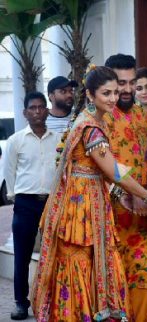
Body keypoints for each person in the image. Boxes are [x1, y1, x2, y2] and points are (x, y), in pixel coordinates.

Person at [31, 65, 147, 321]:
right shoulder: (91, 128)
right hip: (81, 210)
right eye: (106, 93)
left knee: (92, 265)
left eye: (116, 92)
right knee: (80, 265)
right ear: (91, 95)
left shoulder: (92, 120)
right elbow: (114, 171)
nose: (113, 98)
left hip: (88, 201)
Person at [104, 54, 147, 322]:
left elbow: (146, 161)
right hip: (105, 220)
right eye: (120, 83)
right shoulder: (98, 118)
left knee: (146, 276)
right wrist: (127, 193)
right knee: (110, 287)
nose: (127, 89)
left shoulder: (141, 116)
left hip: (139, 220)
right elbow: (96, 168)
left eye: (131, 82)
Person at [3, 92, 60, 320]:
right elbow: (9, 171)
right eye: (32, 108)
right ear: (25, 113)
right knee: (23, 256)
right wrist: (15, 197)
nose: (37, 112)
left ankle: (55, 299)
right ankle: (20, 303)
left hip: (52, 203)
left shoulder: (58, 139)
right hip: (25, 203)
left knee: (55, 253)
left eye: (41, 107)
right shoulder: (16, 140)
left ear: (47, 110)